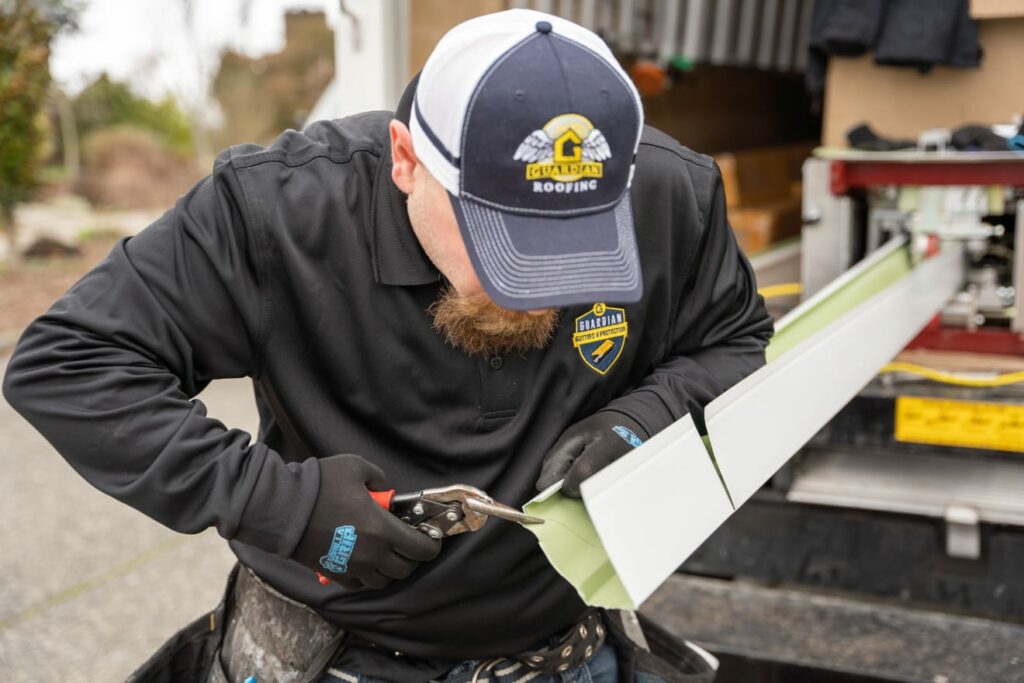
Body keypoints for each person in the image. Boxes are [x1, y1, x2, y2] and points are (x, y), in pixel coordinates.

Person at [3, 9, 772, 683]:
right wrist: (277, 503)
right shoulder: (279, 211)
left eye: (574, 248)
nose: (539, 289)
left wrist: (648, 416)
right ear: (406, 160)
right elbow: (69, 360)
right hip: (330, 656)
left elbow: (735, 340)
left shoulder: (672, 195)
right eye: (503, 242)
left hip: (566, 654)